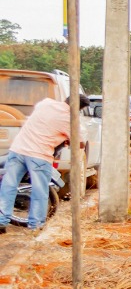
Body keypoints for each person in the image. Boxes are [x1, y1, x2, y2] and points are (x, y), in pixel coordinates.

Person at [0, 92, 84, 232]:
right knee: (39, 191)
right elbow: (79, 142)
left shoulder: (46, 103)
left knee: (8, 186)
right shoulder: (69, 118)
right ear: (78, 108)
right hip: (39, 155)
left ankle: (2, 222)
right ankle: (36, 225)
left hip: (18, 149)